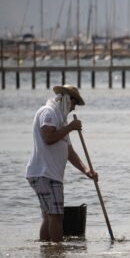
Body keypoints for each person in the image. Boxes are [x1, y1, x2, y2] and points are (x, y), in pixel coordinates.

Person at [26, 85, 97, 242]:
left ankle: (47, 253)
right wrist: (70, 128)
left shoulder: (60, 119)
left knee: (49, 216)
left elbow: (69, 152)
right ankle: (57, 254)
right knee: (56, 216)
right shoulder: (48, 112)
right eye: (73, 103)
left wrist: (86, 170)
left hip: (47, 174)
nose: (73, 108)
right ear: (66, 99)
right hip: (45, 173)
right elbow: (48, 138)